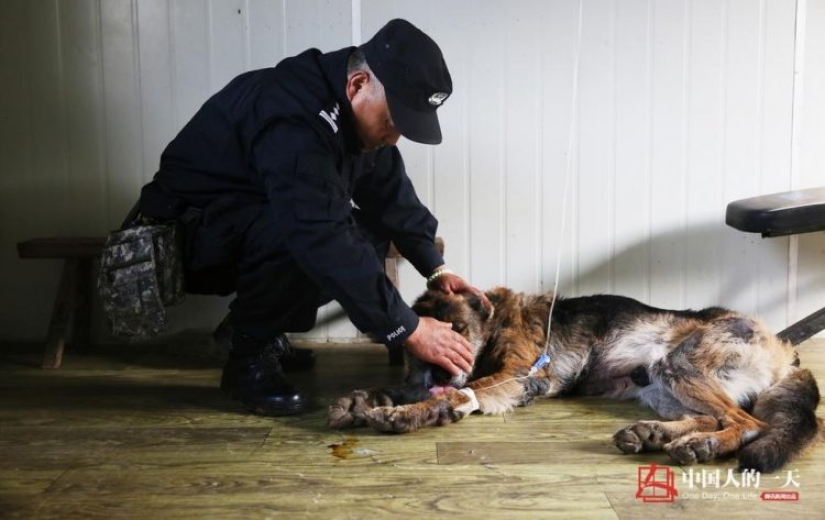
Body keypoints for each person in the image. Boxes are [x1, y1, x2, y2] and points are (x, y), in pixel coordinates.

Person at [136, 19, 487, 417]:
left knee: (368, 235)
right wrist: (408, 327)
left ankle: (253, 330)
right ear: (357, 85)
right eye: (392, 122)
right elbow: (315, 234)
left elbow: (390, 196)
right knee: (306, 234)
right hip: (182, 239)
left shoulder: (357, 117)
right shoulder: (295, 117)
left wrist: (435, 268)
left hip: (242, 227)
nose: (394, 139)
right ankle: (247, 359)